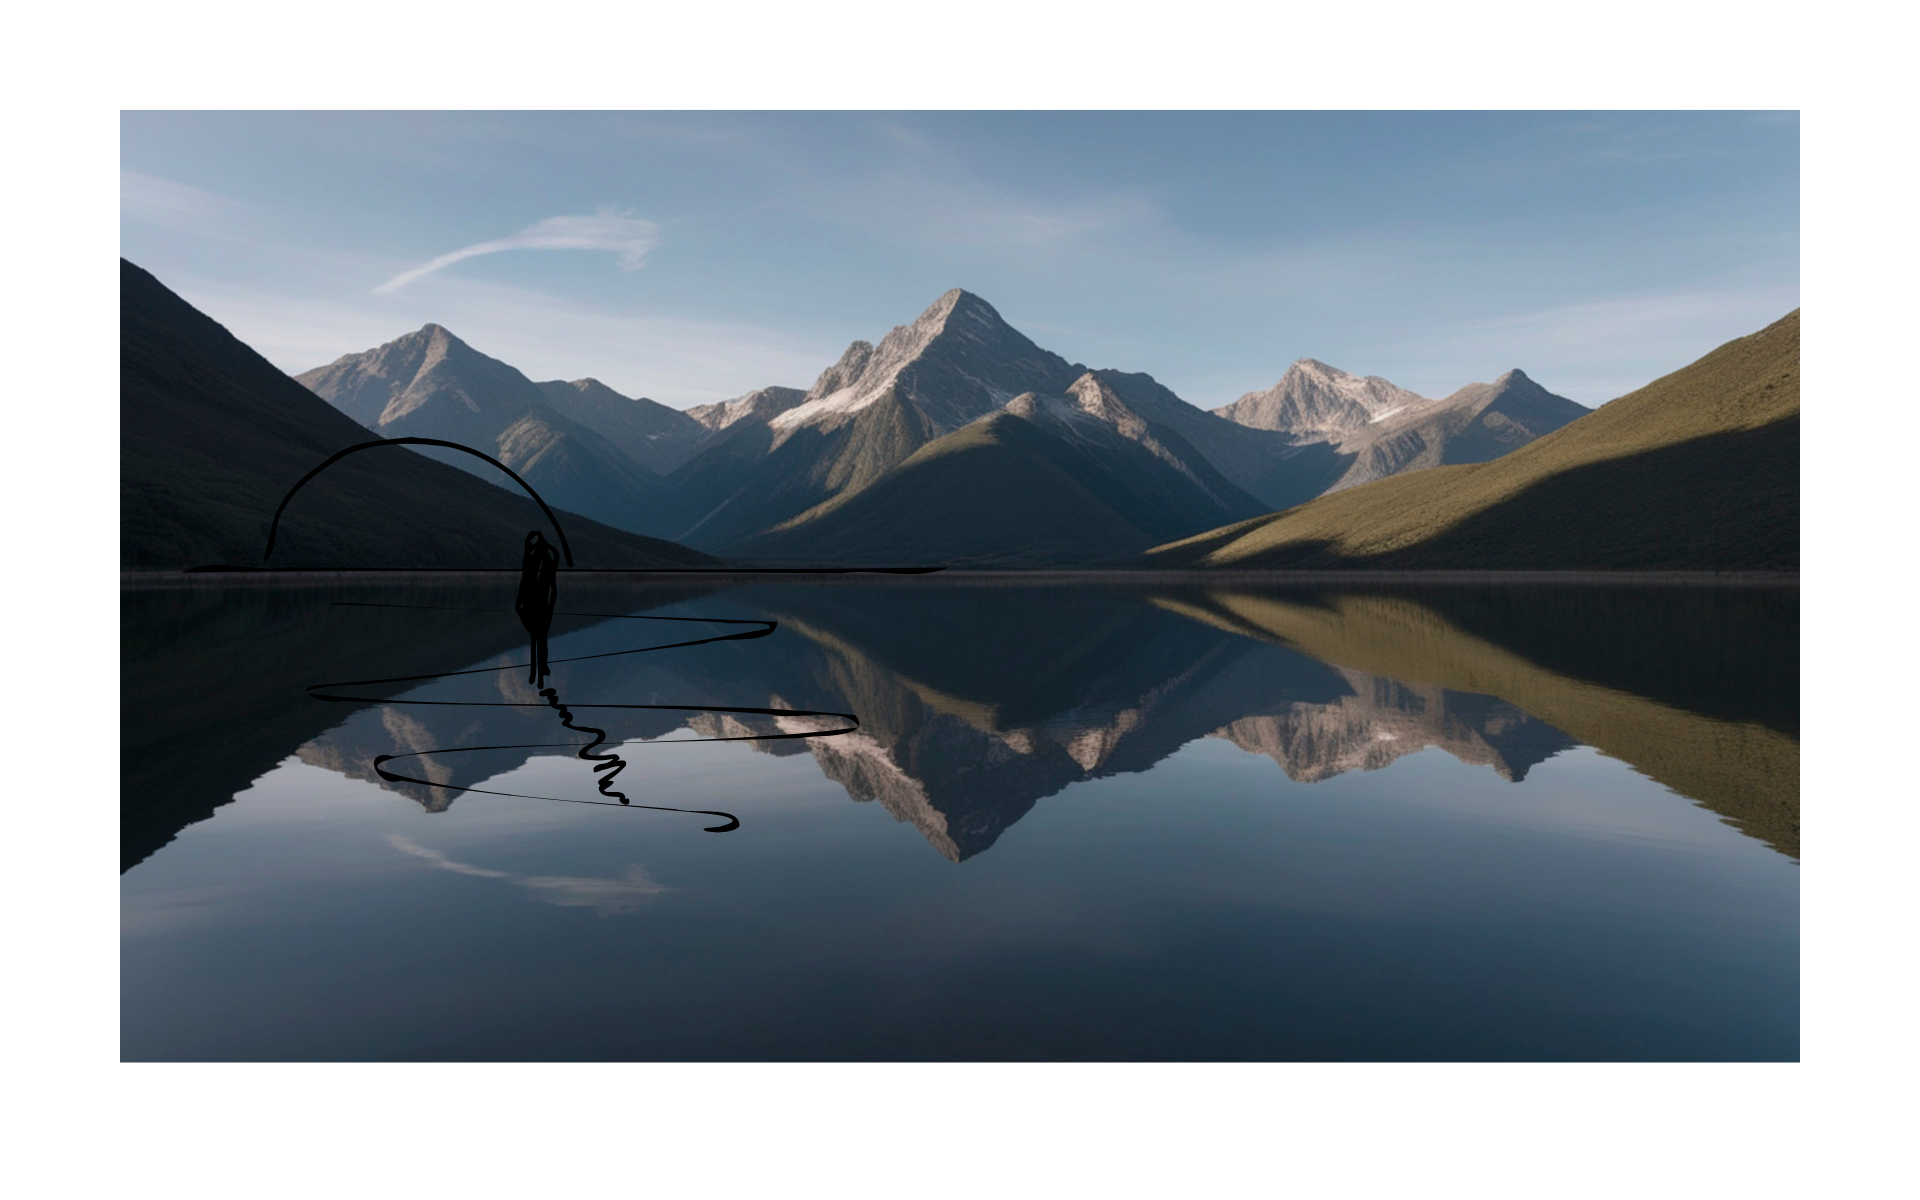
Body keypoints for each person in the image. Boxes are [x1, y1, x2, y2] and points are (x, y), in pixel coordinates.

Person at [515, 529, 560, 685]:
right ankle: (538, 672)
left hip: (542, 605)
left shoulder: (545, 558)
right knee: (539, 636)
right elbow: (525, 582)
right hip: (533, 604)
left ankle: (540, 671)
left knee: (540, 637)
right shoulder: (532, 559)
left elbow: (552, 587)